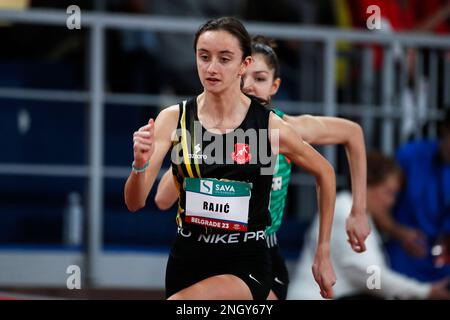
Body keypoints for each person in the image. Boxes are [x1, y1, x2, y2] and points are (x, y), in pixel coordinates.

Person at [124, 17, 337, 300]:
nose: (212, 68)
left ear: (244, 64)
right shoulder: (173, 119)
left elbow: (325, 172)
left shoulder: (268, 126)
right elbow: (135, 202)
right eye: (204, 57)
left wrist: (322, 251)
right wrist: (140, 163)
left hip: (245, 262)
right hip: (187, 260)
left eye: (224, 59)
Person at [154, 35, 371, 300]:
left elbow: (353, 134)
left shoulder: (287, 130)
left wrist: (358, 211)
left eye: (260, 79)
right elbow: (162, 200)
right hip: (207, 252)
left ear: (275, 86)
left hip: (259, 253)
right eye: (244, 78)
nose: (250, 87)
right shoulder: (208, 133)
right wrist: (191, 163)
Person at [288, 151, 450, 300]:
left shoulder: (355, 213)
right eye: (388, 192)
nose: (391, 202)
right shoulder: (345, 210)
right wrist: (424, 291)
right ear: (365, 185)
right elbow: (370, 276)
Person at [374, 109, 450, 282]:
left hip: (444, 268)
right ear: (445, 129)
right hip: (404, 261)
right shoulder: (410, 157)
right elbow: (372, 202)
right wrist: (398, 232)